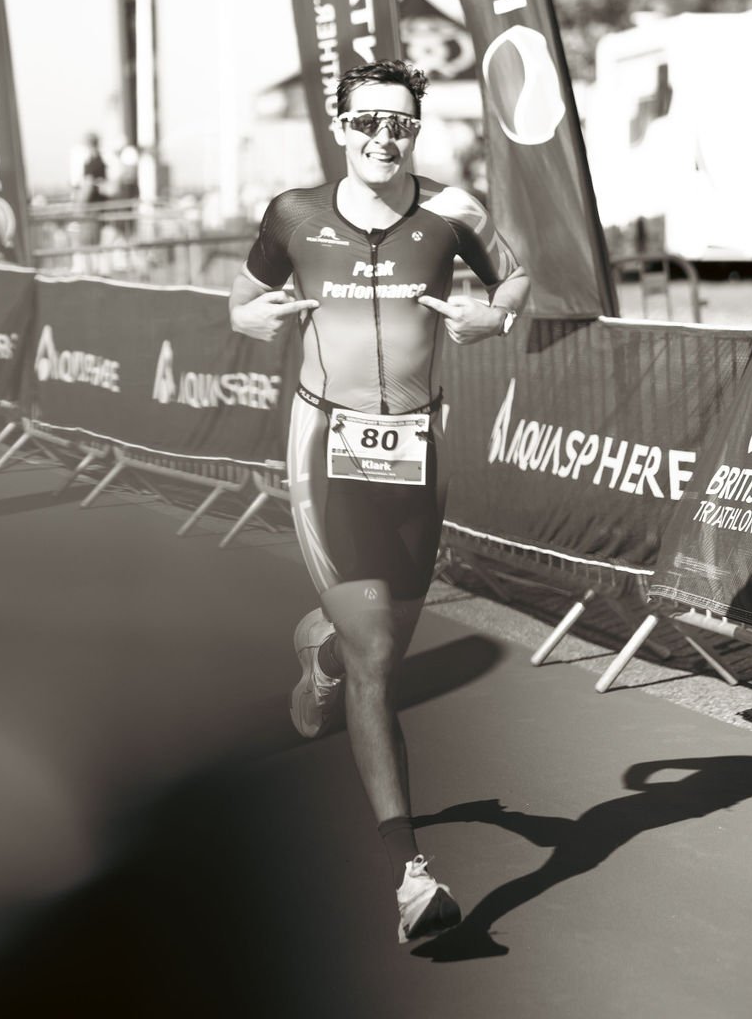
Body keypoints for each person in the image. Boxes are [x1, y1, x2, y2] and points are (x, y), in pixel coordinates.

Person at [229, 58, 530, 944]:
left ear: (415, 129)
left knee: (378, 645)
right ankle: (411, 877)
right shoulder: (293, 214)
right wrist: (254, 319)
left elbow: (514, 280)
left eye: (399, 124)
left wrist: (493, 317)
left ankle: (322, 657)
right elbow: (240, 302)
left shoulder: (454, 209)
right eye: (366, 122)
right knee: (376, 656)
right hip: (327, 445)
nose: (382, 138)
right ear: (341, 124)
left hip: (417, 450)